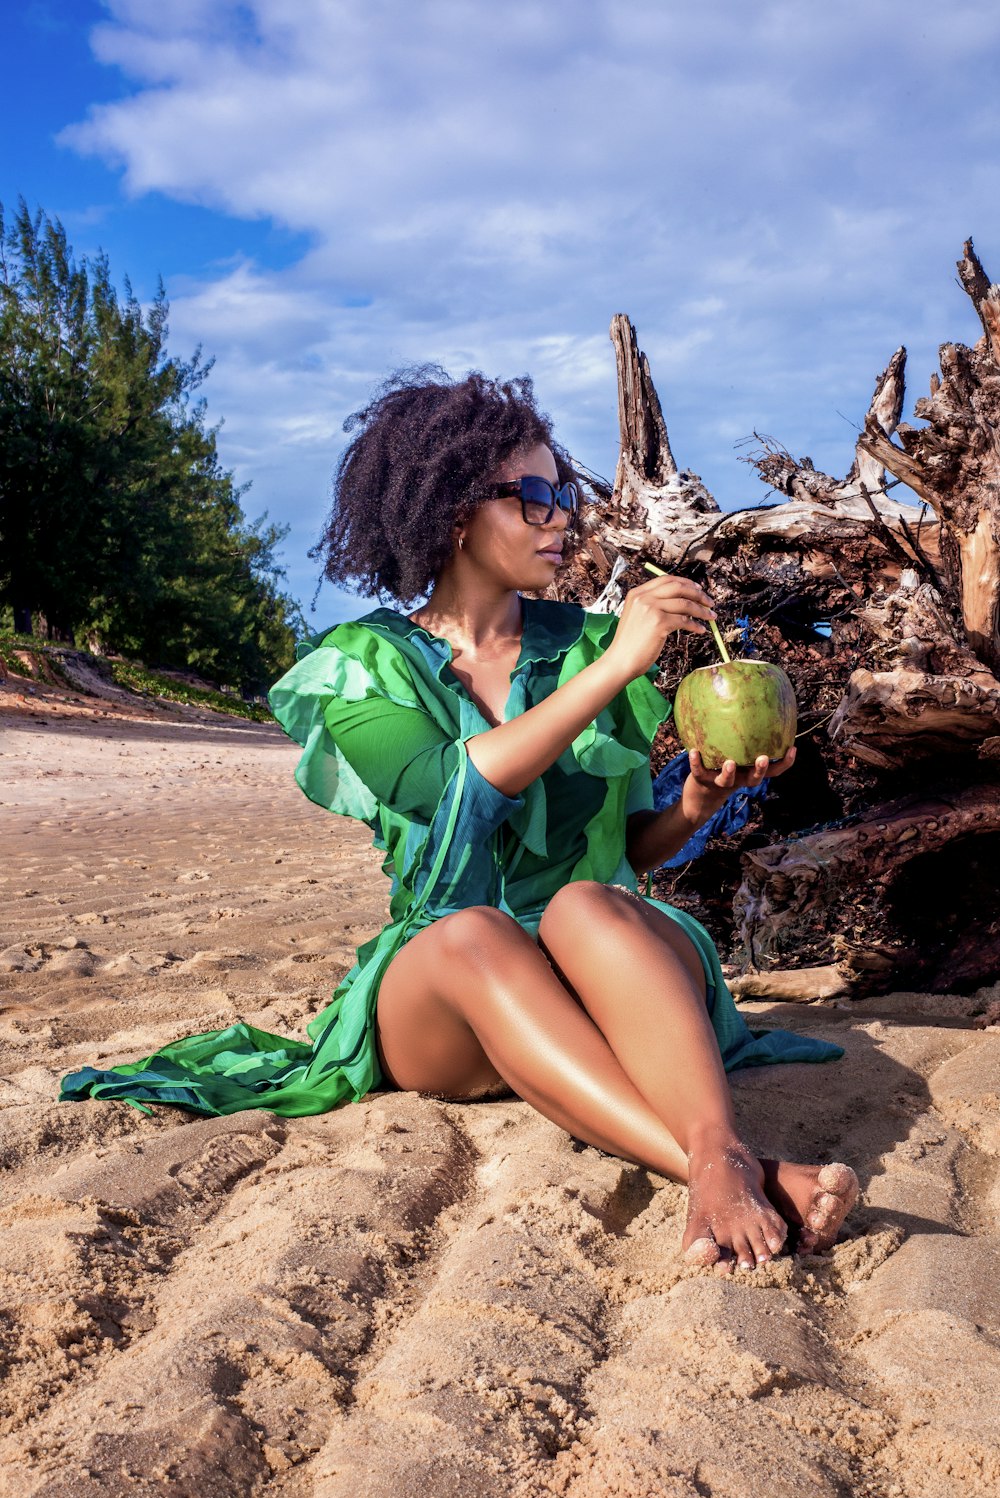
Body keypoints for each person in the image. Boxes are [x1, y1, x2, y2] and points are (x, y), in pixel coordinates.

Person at [61, 369, 857, 1275]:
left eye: (568, 497)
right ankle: (727, 1167)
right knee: (473, 930)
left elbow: (634, 850)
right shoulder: (360, 666)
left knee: (585, 905)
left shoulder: (592, 647)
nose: (564, 519)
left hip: (608, 966)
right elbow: (452, 793)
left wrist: (694, 803)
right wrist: (615, 665)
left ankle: (718, 1156)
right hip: (458, 996)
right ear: (450, 512)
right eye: (537, 498)